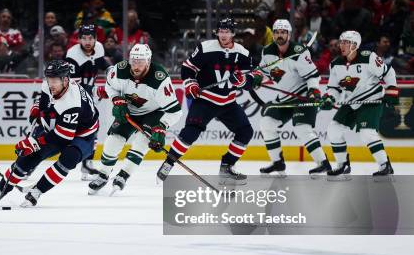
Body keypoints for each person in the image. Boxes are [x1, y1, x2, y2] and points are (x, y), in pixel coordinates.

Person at [156, 18, 264, 184]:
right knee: (190, 132)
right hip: (205, 100)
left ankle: (227, 165)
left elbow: (251, 82)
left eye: (227, 31)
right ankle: (169, 162)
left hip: (228, 103)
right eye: (221, 31)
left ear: (233, 33)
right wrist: (191, 83)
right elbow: (188, 68)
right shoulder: (205, 48)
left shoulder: (243, 53)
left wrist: (242, 81)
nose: (223, 34)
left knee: (245, 132)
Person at [0, 60, 100, 208]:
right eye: (49, 79)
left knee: (69, 158)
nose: (51, 84)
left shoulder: (72, 102)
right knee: (29, 156)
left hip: (84, 133)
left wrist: (35, 142)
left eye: (55, 80)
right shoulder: (50, 85)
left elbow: (63, 137)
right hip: (61, 125)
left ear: (65, 80)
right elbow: (43, 104)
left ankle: (37, 191)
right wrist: (37, 109)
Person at [88, 44, 182, 195]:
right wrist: (116, 99)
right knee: (113, 142)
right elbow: (109, 86)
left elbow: (175, 112)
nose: (136, 65)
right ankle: (103, 174)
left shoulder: (160, 78)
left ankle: (123, 175)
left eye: (141, 61)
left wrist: (161, 127)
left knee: (141, 142)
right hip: (129, 110)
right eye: (134, 60)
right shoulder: (120, 69)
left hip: (153, 113)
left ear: (149, 61)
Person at [257, 19, 331, 177]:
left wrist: (314, 92)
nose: (279, 35)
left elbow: (313, 76)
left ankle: (323, 164)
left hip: (303, 96)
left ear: (289, 34)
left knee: (302, 128)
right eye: (277, 32)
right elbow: (262, 73)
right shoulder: (267, 51)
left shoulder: (299, 52)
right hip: (284, 98)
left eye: (283, 32)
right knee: (267, 124)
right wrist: (256, 79)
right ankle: (277, 162)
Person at [320, 30, 399, 178]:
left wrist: (391, 91)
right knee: (333, 130)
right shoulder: (335, 64)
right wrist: (329, 98)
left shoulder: (368, 57)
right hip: (351, 102)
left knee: (367, 134)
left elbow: (388, 73)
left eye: (346, 42)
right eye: (341, 42)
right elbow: (334, 88)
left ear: (355, 45)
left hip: (372, 100)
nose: (341, 45)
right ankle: (343, 165)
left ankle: (385, 165)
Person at [65, 24, 109, 180]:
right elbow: (75, 86)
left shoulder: (100, 48)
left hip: (90, 97)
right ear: (78, 40)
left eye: (91, 38)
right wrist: (96, 92)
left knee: (92, 129)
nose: (87, 41)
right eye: (84, 38)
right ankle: (29, 163)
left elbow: (102, 64)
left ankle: (87, 164)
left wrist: (113, 72)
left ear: (96, 39)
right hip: (73, 98)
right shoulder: (72, 55)